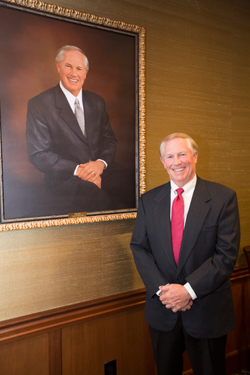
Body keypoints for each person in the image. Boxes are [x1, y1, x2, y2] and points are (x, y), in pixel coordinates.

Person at [130, 133, 240, 375]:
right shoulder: (149, 201)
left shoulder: (223, 198)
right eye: (170, 156)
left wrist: (187, 291)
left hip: (207, 312)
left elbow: (226, 256)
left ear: (195, 156)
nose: (177, 162)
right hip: (163, 311)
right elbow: (140, 248)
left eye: (182, 154)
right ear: (162, 161)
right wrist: (164, 292)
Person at [26, 45, 133, 214]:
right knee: (101, 202)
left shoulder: (97, 102)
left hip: (102, 169)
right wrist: (80, 170)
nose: (74, 73)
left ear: (85, 73)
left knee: (132, 186)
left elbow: (109, 140)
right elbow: (38, 154)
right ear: (58, 66)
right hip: (65, 178)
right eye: (68, 66)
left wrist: (100, 164)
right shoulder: (39, 104)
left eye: (79, 68)